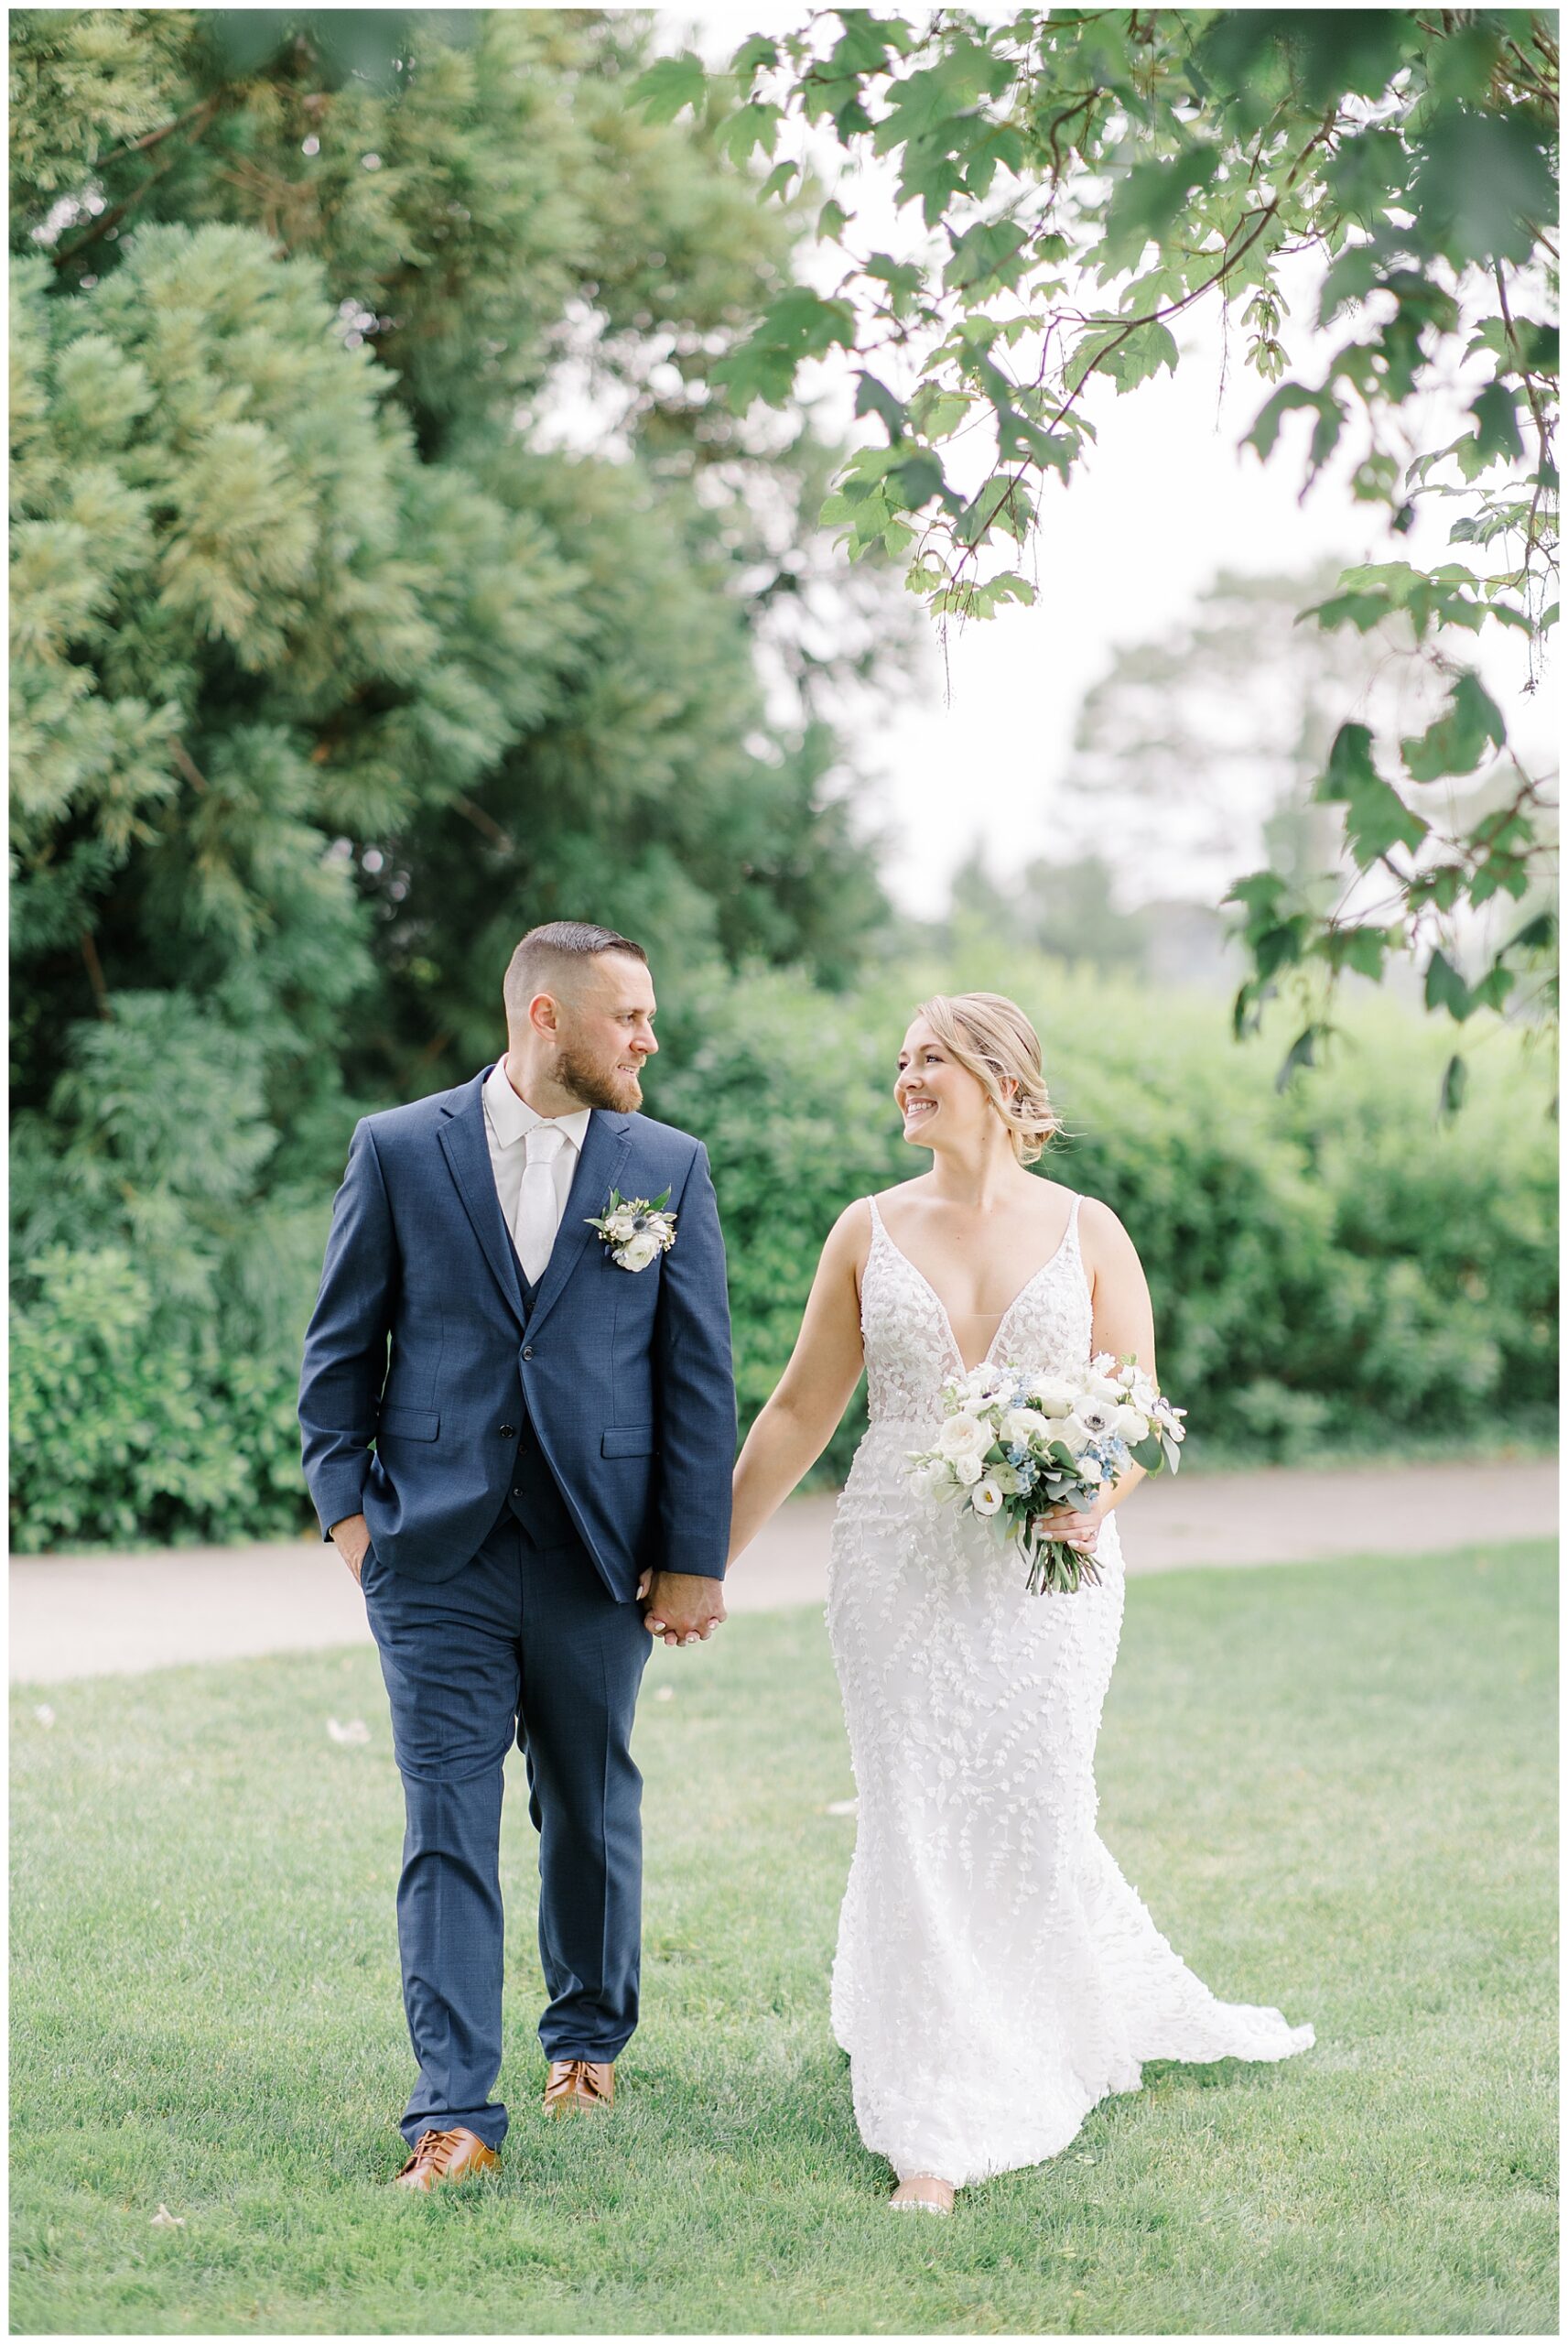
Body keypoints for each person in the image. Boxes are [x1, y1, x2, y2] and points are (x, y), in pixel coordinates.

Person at [726, 991, 1314, 2213]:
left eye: (928, 1059)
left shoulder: (1089, 1230)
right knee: (912, 1807)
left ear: (997, 1077)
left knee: (1032, 1800)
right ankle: (933, 2119)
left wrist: (1094, 1497)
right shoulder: (864, 1229)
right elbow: (797, 1412)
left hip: (1049, 1577)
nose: (904, 1078)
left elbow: (1141, 1411)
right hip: (894, 1566)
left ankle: (1039, 2018)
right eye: (898, 1062)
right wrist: (701, 1557)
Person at [298, 921, 733, 2191]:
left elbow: (696, 1382)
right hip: (434, 1550)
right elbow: (340, 1353)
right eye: (627, 1018)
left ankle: (587, 2041)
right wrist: (350, 1518)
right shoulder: (397, 1149)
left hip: (600, 1551)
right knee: (444, 1820)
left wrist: (689, 1556)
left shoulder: (668, 1165)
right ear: (545, 1017)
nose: (648, 1040)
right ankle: (455, 2113)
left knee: (588, 1809)